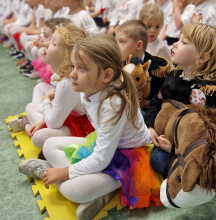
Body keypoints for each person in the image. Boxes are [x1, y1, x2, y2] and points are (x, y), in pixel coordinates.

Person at [18, 34, 160, 220]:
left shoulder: (112, 105)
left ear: (107, 75)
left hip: (128, 157)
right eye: (73, 66)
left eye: (82, 68)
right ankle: (80, 183)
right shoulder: (90, 86)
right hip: (105, 145)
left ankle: (104, 187)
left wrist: (64, 172)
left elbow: (101, 159)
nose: (72, 74)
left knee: (74, 190)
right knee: (49, 145)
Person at [144, 23, 216, 178]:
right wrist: (150, 127)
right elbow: (157, 101)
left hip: (188, 144)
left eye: (184, 42)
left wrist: (177, 149)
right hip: (166, 129)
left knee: (159, 162)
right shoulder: (174, 74)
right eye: (179, 39)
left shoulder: (215, 91)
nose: (175, 44)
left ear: (203, 57)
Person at [9, 24, 94, 154]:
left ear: (66, 56)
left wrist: (46, 99)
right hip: (69, 116)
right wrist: (44, 116)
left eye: (54, 43)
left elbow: (53, 123)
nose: (46, 44)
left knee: (39, 138)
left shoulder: (67, 83)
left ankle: (28, 125)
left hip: (84, 128)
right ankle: (29, 124)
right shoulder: (64, 76)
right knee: (31, 107)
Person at [115, 19, 171, 111]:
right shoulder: (116, 64)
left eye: (121, 42)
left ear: (138, 45)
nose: (116, 46)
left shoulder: (159, 67)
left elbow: (165, 97)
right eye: (116, 41)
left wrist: (147, 103)